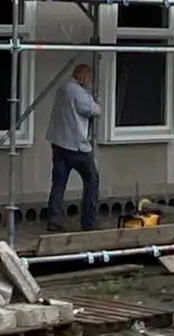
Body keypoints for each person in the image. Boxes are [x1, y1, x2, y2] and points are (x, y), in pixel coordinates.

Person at [45, 63, 102, 232]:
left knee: (59, 183)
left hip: (58, 143)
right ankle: (89, 221)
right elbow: (93, 110)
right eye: (89, 77)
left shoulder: (63, 87)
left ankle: (54, 220)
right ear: (83, 75)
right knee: (92, 180)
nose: (89, 81)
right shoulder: (77, 91)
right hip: (77, 146)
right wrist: (94, 100)